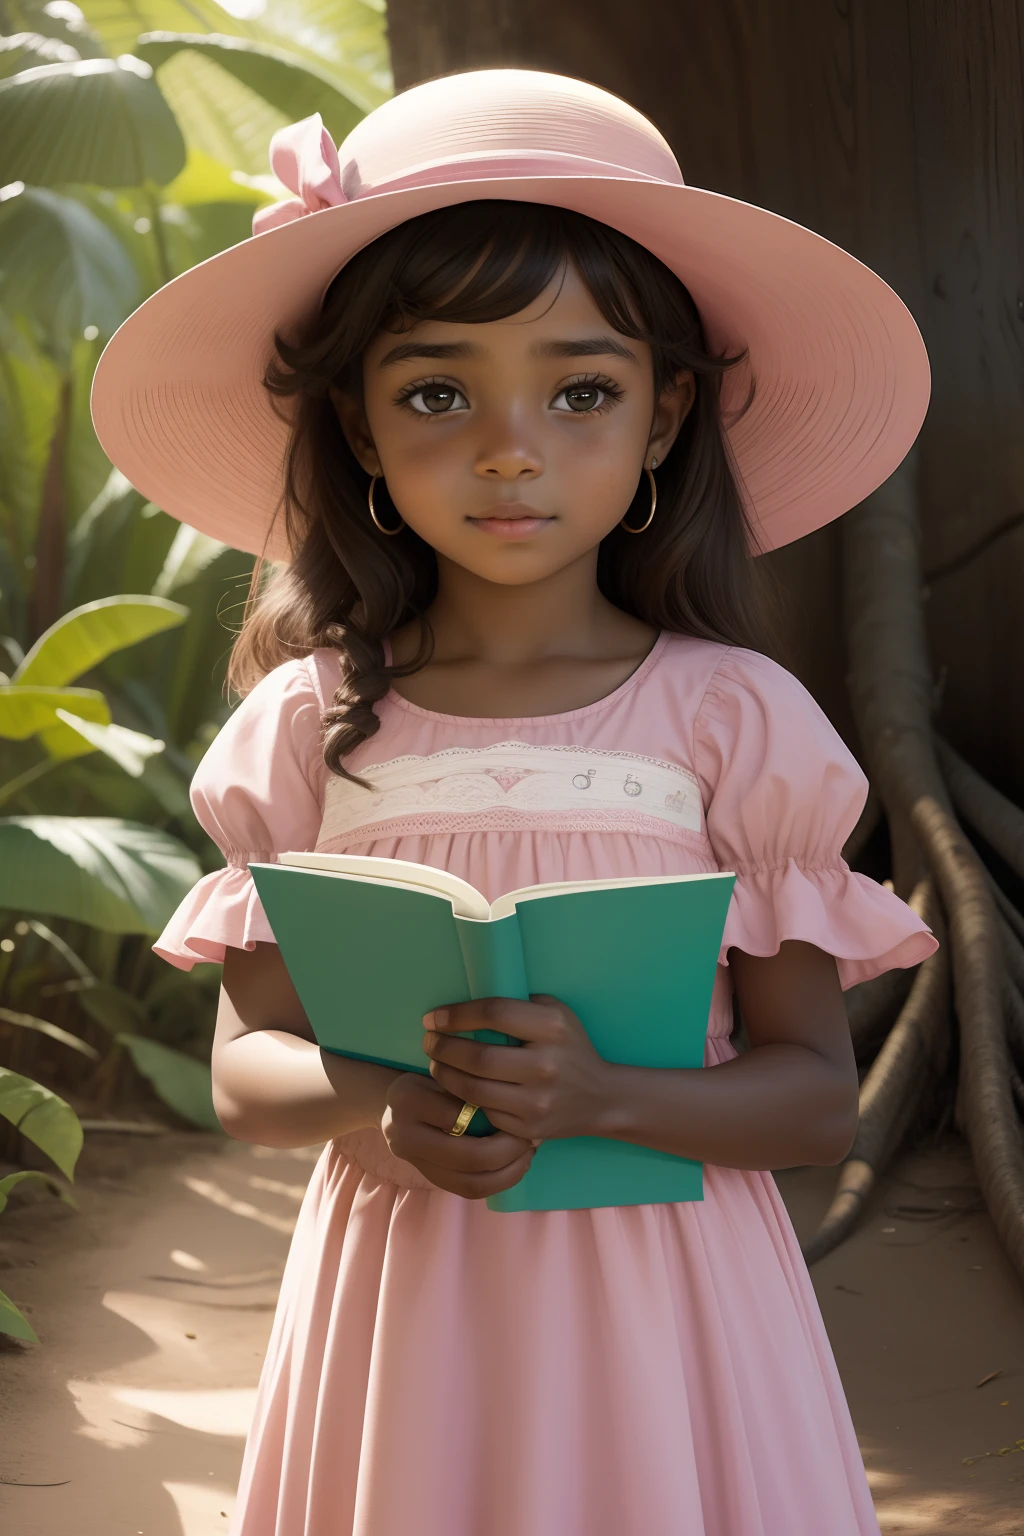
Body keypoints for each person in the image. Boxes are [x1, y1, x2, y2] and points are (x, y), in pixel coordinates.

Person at [92, 68, 937, 1536]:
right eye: (434, 390)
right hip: (404, 1300)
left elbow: (812, 1100)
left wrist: (603, 1096)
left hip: (671, 1310)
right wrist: (387, 1096)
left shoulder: (737, 719)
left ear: (668, 416)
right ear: (355, 425)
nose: (509, 446)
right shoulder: (301, 726)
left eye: (582, 389)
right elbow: (249, 1074)